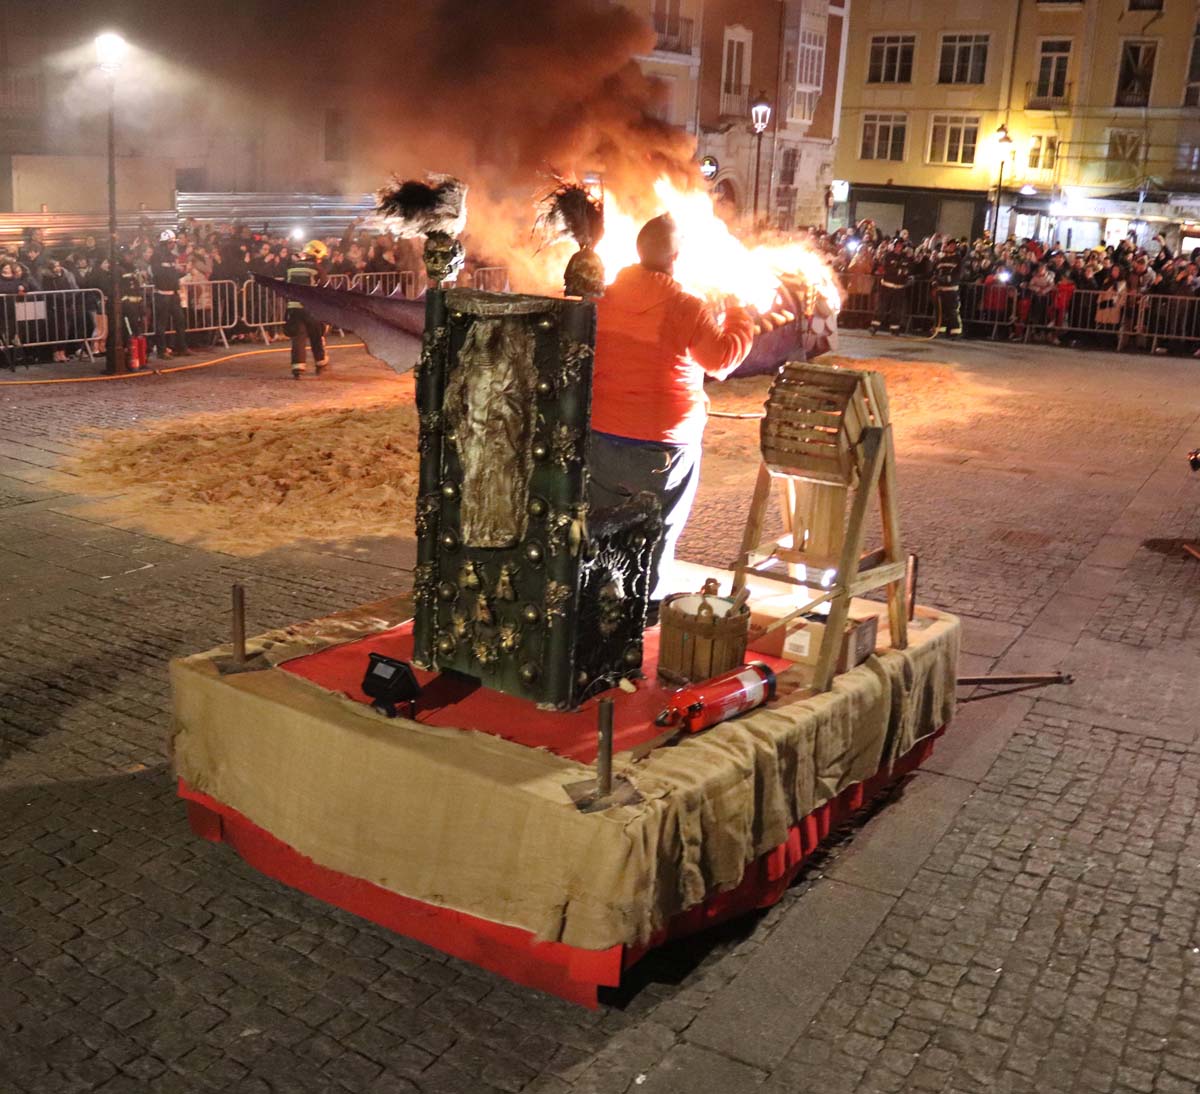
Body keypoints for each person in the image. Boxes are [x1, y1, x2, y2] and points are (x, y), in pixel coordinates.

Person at [588, 214, 754, 604]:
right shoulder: (685, 306)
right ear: (676, 257)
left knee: (601, 530)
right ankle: (642, 615)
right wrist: (738, 313)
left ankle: (596, 611)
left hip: (602, 437)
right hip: (663, 446)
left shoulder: (603, 298)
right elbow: (723, 359)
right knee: (655, 534)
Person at [284, 240, 330, 378]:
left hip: (294, 308)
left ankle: (298, 368)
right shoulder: (318, 269)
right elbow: (325, 289)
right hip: (312, 310)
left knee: (298, 338)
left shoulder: (292, 268)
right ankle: (320, 364)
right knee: (316, 337)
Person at [150, 230, 191, 359]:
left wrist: (183, 272)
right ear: (167, 242)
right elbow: (158, 273)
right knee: (161, 324)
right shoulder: (157, 256)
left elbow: (173, 274)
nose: (174, 244)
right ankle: (162, 351)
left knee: (180, 320)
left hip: (173, 293)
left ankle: (181, 347)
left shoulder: (171, 256)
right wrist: (174, 271)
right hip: (162, 294)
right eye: (172, 242)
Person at [871, 237, 911, 335]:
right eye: (897, 245)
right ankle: (874, 327)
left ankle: (894, 329)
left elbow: (907, 270)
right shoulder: (888, 256)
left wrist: (901, 271)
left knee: (897, 309)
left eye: (901, 246)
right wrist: (899, 270)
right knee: (881, 307)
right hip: (887, 286)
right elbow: (888, 269)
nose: (899, 247)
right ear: (894, 246)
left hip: (899, 288)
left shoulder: (905, 257)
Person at [933, 239, 964, 337]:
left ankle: (956, 331)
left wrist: (947, 279)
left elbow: (958, 274)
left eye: (954, 246)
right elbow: (936, 271)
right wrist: (935, 281)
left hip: (952, 289)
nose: (952, 247)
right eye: (950, 245)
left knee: (952, 311)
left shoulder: (958, 259)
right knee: (940, 311)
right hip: (941, 289)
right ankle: (940, 330)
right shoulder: (942, 259)